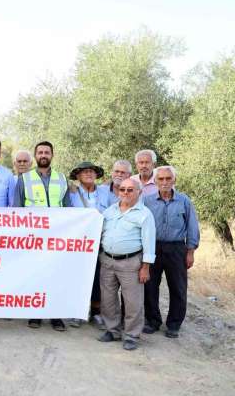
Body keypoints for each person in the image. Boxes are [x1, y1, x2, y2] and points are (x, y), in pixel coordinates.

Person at [13, 141, 70, 331]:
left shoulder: (62, 178)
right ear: (35, 156)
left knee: (57, 276)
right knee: (35, 275)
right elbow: (17, 208)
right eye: (40, 152)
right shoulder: (24, 178)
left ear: (52, 155)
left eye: (47, 152)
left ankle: (56, 315)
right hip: (33, 237)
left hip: (57, 237)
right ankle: (35, 314)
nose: (43, 155)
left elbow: (68, 208)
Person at [98, 178, 155, 351]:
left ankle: (131, 335)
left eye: (130, 190)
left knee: (133, 302)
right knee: (108, 299)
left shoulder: (144, 214)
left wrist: (145, 267)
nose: (125, 193)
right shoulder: (110, 211)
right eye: (122, 189)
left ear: (139, 192)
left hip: (131, 263)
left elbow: (149, 243)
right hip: (107, 260)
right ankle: (112, 330)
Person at [143, 166, 200, 338]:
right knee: (150, 286)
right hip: (153, 247)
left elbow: (192, 227)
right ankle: (152, 321)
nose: (165, 182)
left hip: (177, 248)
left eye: (168, 179)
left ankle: (174, 324)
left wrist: (190, 252)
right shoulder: (147, 201)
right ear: (156, 181)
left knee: (178, 288)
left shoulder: (184, 201)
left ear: (174, 180)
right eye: (161, 179)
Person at [67, 161, 110, 328]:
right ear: (77, 176)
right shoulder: (70, 194)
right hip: (79, 242)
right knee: (78, 276)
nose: (88, 174)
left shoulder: (106, 192)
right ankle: (78, 312)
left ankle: (97, 312)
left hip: (101, 241)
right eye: (84, 172)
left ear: (96, 175)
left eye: (91, 171)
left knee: (98, 278)